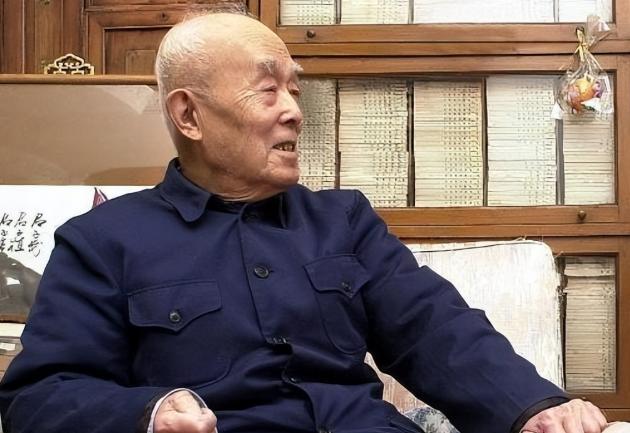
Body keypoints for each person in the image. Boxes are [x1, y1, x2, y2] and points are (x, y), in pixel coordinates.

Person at [0, 5, 615, 433]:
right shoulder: (102, 240)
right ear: (189, 115)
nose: (294, 110)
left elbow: (434, 328)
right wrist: (149, 414)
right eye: (267, 90)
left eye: (295, 89)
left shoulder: (343, 221)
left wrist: (532, 407)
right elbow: (38, 398)